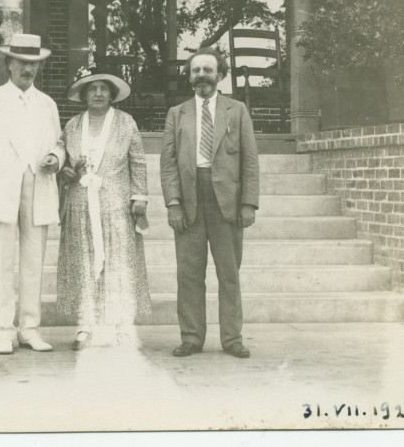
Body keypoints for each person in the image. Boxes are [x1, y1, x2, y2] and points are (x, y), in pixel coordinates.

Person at [160, 47, 259, 359]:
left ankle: (232, 339)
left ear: (220, 74)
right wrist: (173, 203)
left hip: (226, 202)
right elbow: (168, 163)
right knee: (189, 274)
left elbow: (250, 161)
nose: (201, 75)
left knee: (229, 273)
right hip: (189, 201)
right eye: (195, 71)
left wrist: (248, 203)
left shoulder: (237, 111)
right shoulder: (177, 113)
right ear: (189, 77)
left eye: (207, 70)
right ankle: (191, 337)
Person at [0, 33, 64, 355]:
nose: (28, 69)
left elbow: (58, 142)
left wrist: (56, 157)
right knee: (2, 264)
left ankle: (30, 329)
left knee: (33, 263)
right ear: (8, 64)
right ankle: (4, 332)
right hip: (3, 189)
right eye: (22, 62)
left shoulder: (47, 103)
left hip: (38, 186)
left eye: (34, 64)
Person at [56, 68, 151, 350]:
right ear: (84, 95)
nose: (98, 93)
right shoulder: (73, 125)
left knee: (119, 266)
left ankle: (122, 328)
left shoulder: (125, 122)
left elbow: (139, 161)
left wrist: (140, 196)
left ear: (111, 95)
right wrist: (66, 172)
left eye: (103, 89)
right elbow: (63, 158)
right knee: (83, 265)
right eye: (92, 89)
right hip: (81, 204)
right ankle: (85, 327)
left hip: (116, 205)